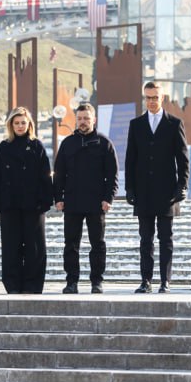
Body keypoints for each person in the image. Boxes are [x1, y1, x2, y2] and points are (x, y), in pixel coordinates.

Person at [125, 81, 189, 293]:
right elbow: (130, 159)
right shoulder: (136, 124)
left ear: (162, 98)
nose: (151, 101)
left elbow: (183, 159)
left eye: (155, 97)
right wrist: (130, 189)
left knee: (166, 238)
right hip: (143, 192)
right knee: (145, 239)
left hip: (167, 192)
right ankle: (146, 281)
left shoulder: (174, 123)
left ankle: (165, 281)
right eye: (148, 97)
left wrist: (182, 186)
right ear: (144, 98)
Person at [0, 107, 53, 293]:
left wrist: (46, 201)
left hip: (34, 205)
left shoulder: (37, 146)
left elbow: (46, 175)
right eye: (16, 123)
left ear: (29, 124)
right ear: (11, 125)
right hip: (9, 204)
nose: (20, 126)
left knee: (35, 247)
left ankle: (33, 285)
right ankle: (13, 285)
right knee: (11, 246)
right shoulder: (3, 147)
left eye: (23, 122)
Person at [53, 103, 118, 293]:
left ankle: (97, 281)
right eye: (80, 118)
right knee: (71, 244)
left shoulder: (104, 143)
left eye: (86, 118)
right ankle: (71, 282)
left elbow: (112, 175)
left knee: (97, 244)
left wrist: (109, 199)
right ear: (76, 120)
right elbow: (59, 173)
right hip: (72, 202)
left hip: (96, 203)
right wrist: (58, 197)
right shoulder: (67, 143)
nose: (83, 122)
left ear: (94, 120)